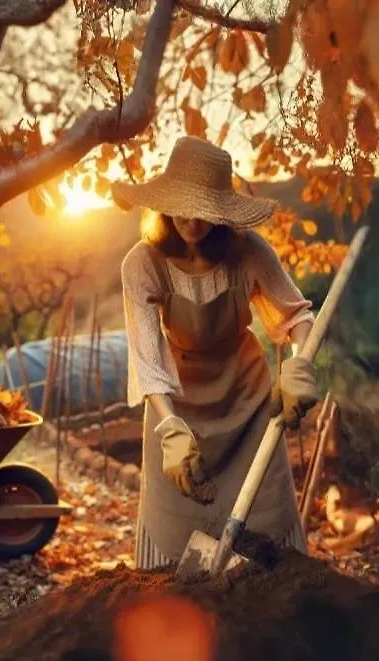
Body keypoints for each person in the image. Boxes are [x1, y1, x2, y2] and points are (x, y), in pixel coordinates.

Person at [112, 136, 320, 570]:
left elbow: (298, 316)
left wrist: (299, 364)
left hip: (246, 400)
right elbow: (148, 358)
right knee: (174, 523)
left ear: (222, 209)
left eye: (203, 208)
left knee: (266, 521)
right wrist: (169, 427)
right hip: (177, 402)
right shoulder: (143, 263)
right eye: (182, 205)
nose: (191, 220)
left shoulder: (248, 253)